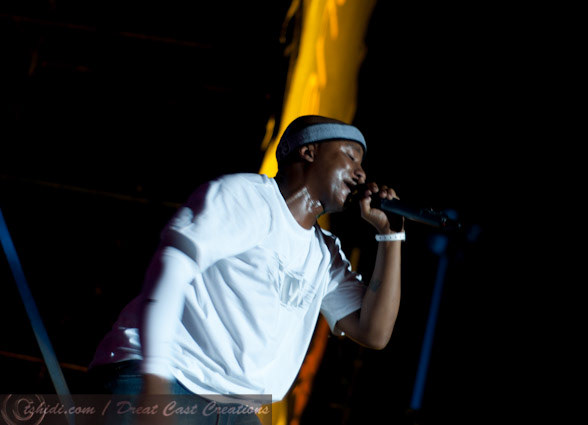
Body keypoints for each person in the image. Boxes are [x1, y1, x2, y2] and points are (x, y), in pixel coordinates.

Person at [88, 115, 405, 424]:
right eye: (350, 156)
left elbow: (373, 332)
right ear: (309, 152)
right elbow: (170, 271)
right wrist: (154, 380)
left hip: (236, 409)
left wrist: (391, 236)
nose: (361, 173)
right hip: (171, 377)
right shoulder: (247, 197)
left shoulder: (325, 255)